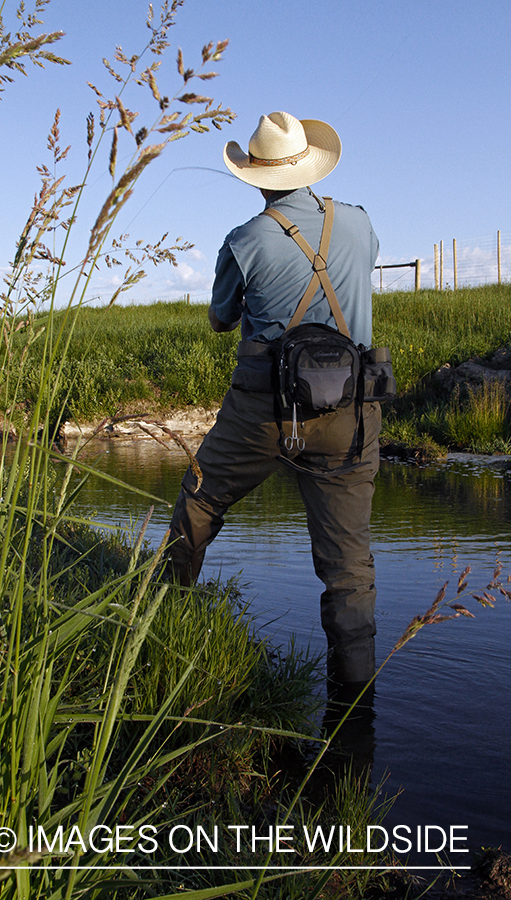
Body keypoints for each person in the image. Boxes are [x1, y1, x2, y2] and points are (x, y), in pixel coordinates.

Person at [165, 111, 381, 690]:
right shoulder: (359, 224)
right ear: (310, 165)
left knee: (199, 503)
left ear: (257, 176)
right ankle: (354, 717)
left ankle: (161, 630)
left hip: (261, 413)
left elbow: (219, 319)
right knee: (348, 567)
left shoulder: (243, 241)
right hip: (351, 417)